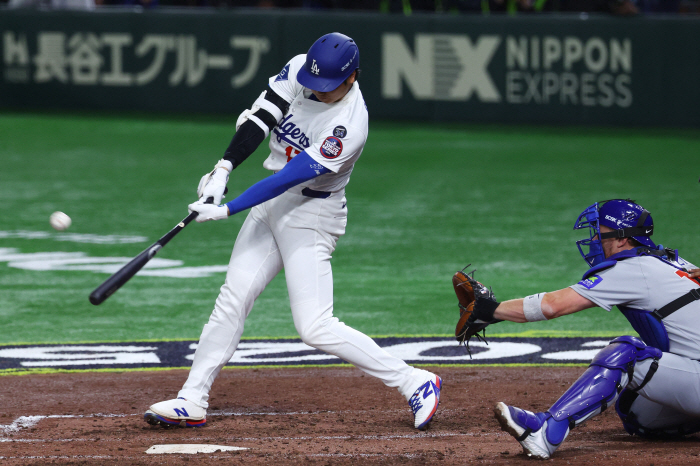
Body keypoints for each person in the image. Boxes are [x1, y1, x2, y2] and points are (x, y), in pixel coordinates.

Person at [144, 32, 441, 431]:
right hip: (270, 205)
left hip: (311, 216)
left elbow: (289, 178)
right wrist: (223, 169)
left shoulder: (349, 125)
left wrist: (228, 208)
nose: (317, 93)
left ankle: (415, 381)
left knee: (315, 326)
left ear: (352, 77)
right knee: (232, 298)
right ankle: (192, 398)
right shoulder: (305, 69)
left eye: (328, 88)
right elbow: (261, 116)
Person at [471, 199, 700, 459]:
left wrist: (489, 310)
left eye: (599, 233)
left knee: (627, 353)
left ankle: (545, 432)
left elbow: (552, 306)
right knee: (636, 411)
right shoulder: (675, 263)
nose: (594, 240)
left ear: (622, 239)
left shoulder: (631, 269)